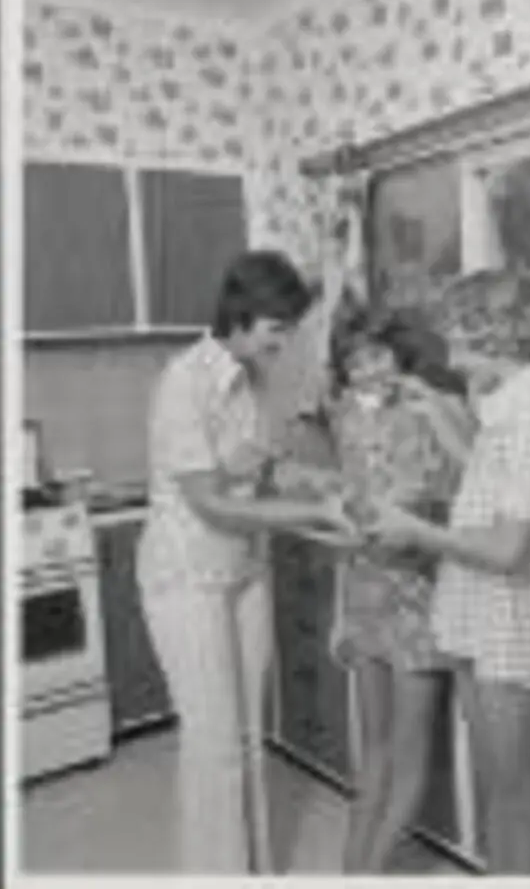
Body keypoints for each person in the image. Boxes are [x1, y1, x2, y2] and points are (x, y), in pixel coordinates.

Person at [136, 250, 355, 875]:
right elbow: (210, 504)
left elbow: (256, 470)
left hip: (242, 573)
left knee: (246, 742)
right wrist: (313, 517)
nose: (283, 343)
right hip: (186, 579)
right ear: (242, 314)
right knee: (214, 748)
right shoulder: (184, 382)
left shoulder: (252, 379)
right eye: (277, 329)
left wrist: (314, 483)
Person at [368, 266, 530, 874]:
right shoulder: (510, 410)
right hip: (485, 613)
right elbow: (489, 476)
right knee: (500, 790)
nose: (455, 360)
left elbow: (508, 550)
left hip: (512, 619)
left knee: (515, 797)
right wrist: (437, 413)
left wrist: (417, 532)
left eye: (460, 344)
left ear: (498, 340)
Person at [324, 301, 475, 873]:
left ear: (399, 355)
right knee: (375, 751)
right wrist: (340, 612)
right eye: (355, 361)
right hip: (365, 594)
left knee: (410, 756)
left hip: (421, 595)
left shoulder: (437, 410)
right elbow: (350, 511)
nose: (369, 371)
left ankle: (369, 873)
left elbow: (468, 495)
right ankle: (351, 871)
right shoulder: (344, 418)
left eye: (378, 356)